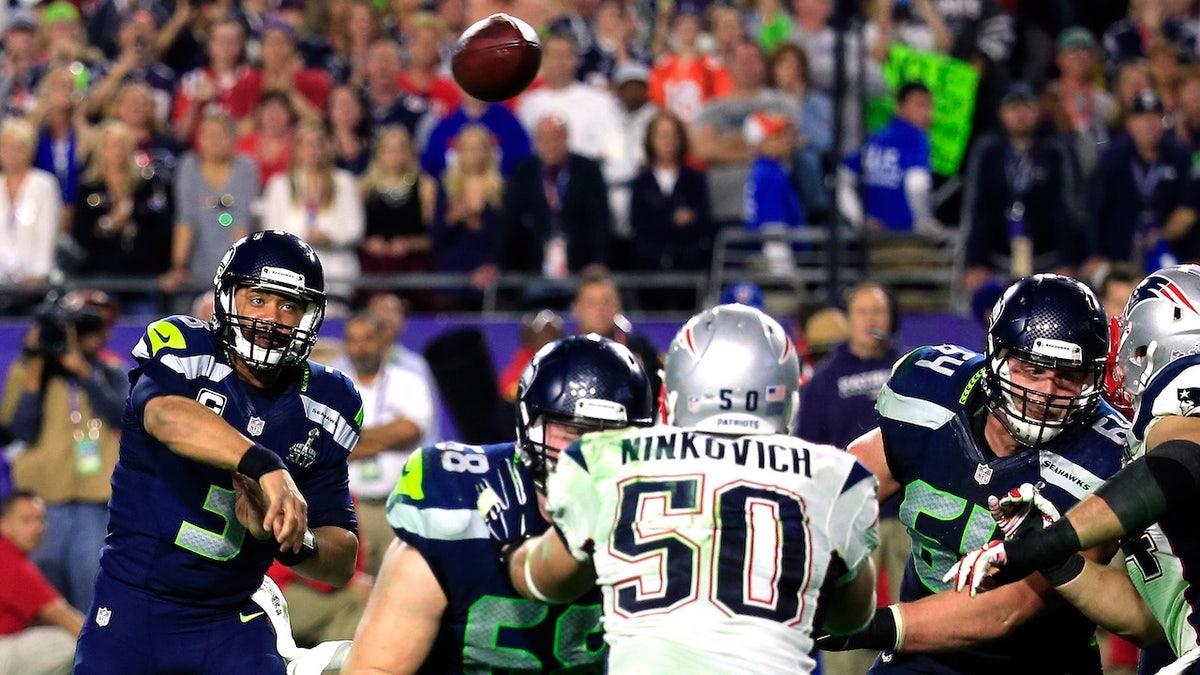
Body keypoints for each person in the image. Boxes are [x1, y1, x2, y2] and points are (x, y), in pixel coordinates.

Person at [490, 304, 880, 673]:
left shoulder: (605, 459)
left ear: (675, 391)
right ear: (786, 398)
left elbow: (547, 581)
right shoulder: (833, 477)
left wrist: (513, 554)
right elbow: (851, 616)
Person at [73, 231, 361, 674]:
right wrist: (268, 467)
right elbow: (166, 417)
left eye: (290, 305)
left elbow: (340, 561)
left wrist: (289, 537)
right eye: (258, 299)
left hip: (231, 617)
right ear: (227, 299)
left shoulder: (326, 401)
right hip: (135, 604)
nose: (272, 319)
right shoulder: (187, 348)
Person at [817, 274, 1127, 673]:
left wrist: (868, 626)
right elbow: (842, 493)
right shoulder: (931, 395)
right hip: (923, 657)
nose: (1047, 392)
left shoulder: (1102, 457)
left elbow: (1008, 610)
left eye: (1068, 376)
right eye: (1031, 369)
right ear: (997, 358)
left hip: (1039, 662)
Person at [341, 334, 655, 673]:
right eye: (573, 432)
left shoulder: (663, 511)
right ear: (528, 425)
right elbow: (378, 668)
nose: (588, 454)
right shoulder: (458, 501)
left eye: (610, 438)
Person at [947, 264, 1200, 672]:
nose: (1119, 362)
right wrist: (1058, 559)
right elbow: (1149, 621)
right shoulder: (1156, 427)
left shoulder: (1184, 402)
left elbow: (1181, 463)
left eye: (1132, 347)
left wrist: (1050, 542)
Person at [1, 290, 126, 612]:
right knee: (46, 599)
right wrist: (38, 366)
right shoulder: (29, 372)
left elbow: (121, 415)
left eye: (102, 328)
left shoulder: (110, 370)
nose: (99, 336)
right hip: (45, 503)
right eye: (88, 328)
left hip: (94, 502)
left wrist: (82, 371)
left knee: (93, 592)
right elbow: (20, 430)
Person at [339, 313, 437, 576]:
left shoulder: (408, 381)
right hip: (349, 506)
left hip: (398, 504)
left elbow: (411, 430)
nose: (361, 346)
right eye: (353, 340)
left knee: (400, 580)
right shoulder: (334, 386)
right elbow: (327, 443)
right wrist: (388, 433)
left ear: (382, 341)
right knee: (353, 586)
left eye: (368, 339)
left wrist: (351, 440)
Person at [0, 490, 84, 675]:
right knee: (67, 643)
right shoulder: (9, 560)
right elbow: (62, 615)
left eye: (40, 520)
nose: (37, 528)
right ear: (4, 525)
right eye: (26, 520)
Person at [838, 81, 936, 233]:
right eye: (920, 106)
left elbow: (840, 180)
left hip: (872, 241)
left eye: (929, 106)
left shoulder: (874, 139)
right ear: (899, 108)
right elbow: (916, 184)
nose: (927, 113)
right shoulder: (917, 139)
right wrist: (925, 223)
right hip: (907, 238)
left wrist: (859, 219)